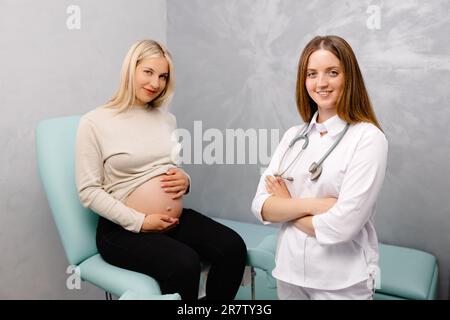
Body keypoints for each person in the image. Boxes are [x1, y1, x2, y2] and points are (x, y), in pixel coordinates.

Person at [75, 39, 246, 300]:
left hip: (172, 221)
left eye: (163, 76)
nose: (155, 84)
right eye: (148, 72)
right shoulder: (94, 122)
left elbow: (169, 166)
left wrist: (185, 180)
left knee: (233, 248)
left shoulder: (166, 119)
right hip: (122, 229)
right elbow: (88, 191)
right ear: (131, 69)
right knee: (183, 263)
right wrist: (141, 221)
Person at [251, 35, 388, 300]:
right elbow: (260, 205)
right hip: (289, 273)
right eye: (312, 74)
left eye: (332, 73)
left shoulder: (369, 138)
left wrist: (287, 205)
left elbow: (342, 226)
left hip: (341, 282)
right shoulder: (294, 136)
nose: (321, 83)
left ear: (349, 78)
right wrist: (316, 205)